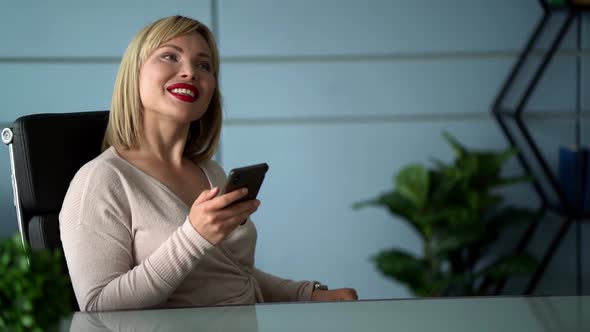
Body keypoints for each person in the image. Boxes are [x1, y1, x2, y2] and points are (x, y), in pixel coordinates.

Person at [59, 15, 357, 312]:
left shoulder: (210, 171)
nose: (189, 72)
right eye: (170, 57)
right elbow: (98, 307)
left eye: (204, 65)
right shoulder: (100, 180)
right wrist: (194, 236)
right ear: (133, 74)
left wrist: (307, 295)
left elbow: (227, 276)